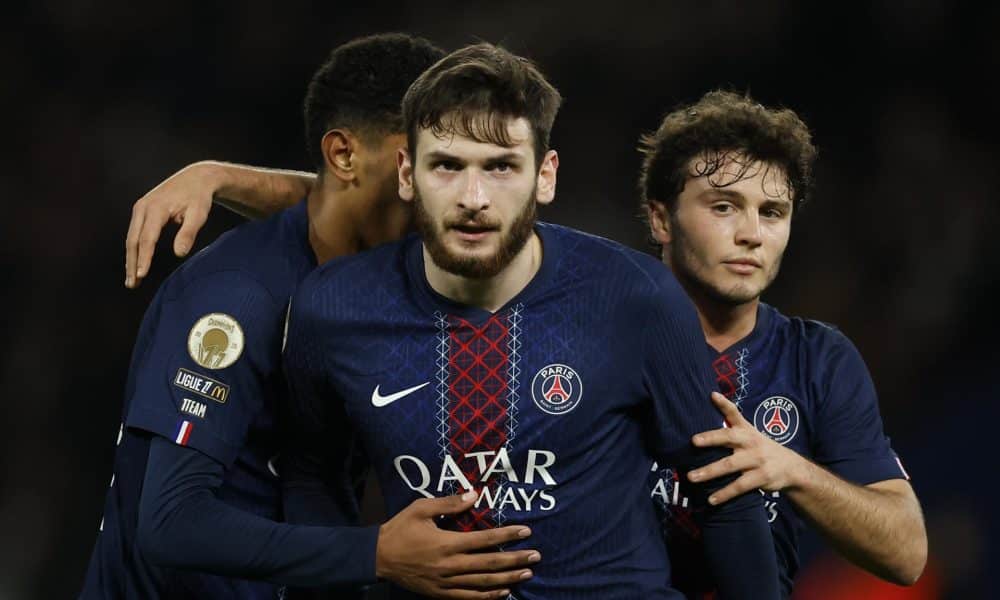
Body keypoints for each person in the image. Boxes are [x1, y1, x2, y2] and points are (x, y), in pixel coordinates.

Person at [278, 43, 777, 599]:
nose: (473, 197)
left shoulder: (637, 298)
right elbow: (313, 483)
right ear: (406, 173)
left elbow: (725, 498)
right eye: (447, 165)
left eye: (500, 167)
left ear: (545, 175)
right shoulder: (333, 309)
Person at [84, 34, 540, 600]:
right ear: (346, 155)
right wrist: (374, 554)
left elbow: (332, 206)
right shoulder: (235, 298)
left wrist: (221, 175)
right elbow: (170, 523)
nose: (447, 194)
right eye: (420, 164)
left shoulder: (387, 272)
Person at [638, 90, 927, 597]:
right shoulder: (598, 341)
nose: (751, 233)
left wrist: (791, 469)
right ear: (661, 219)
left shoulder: (817, 360)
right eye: (724, 206)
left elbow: (907, 552)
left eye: (772, 212)